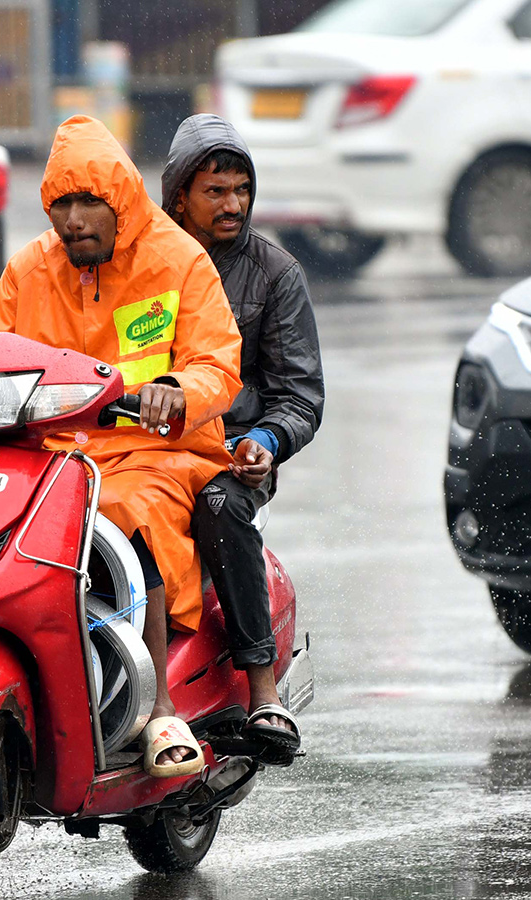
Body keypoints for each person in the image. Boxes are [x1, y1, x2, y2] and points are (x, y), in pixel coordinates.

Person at [0, 115, 243, 778]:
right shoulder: (30, 270)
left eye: (88, 203)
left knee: (123, 513)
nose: (73, 221)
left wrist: (177, 390)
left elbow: (218, 364)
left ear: (122, 200)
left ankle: (156, 712)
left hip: (156, 453)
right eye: (61, 205)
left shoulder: (178, 259)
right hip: (50, 458)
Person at [161, 113, 325, 765]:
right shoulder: (139, 258)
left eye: (241, 190)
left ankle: (262, 688)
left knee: (220, 508)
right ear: (178, 196)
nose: (233, 205)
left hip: (230, 455)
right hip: (136, 449)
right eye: (215, 191)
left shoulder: (274, 273)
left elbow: (301, 394)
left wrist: (266, 440)